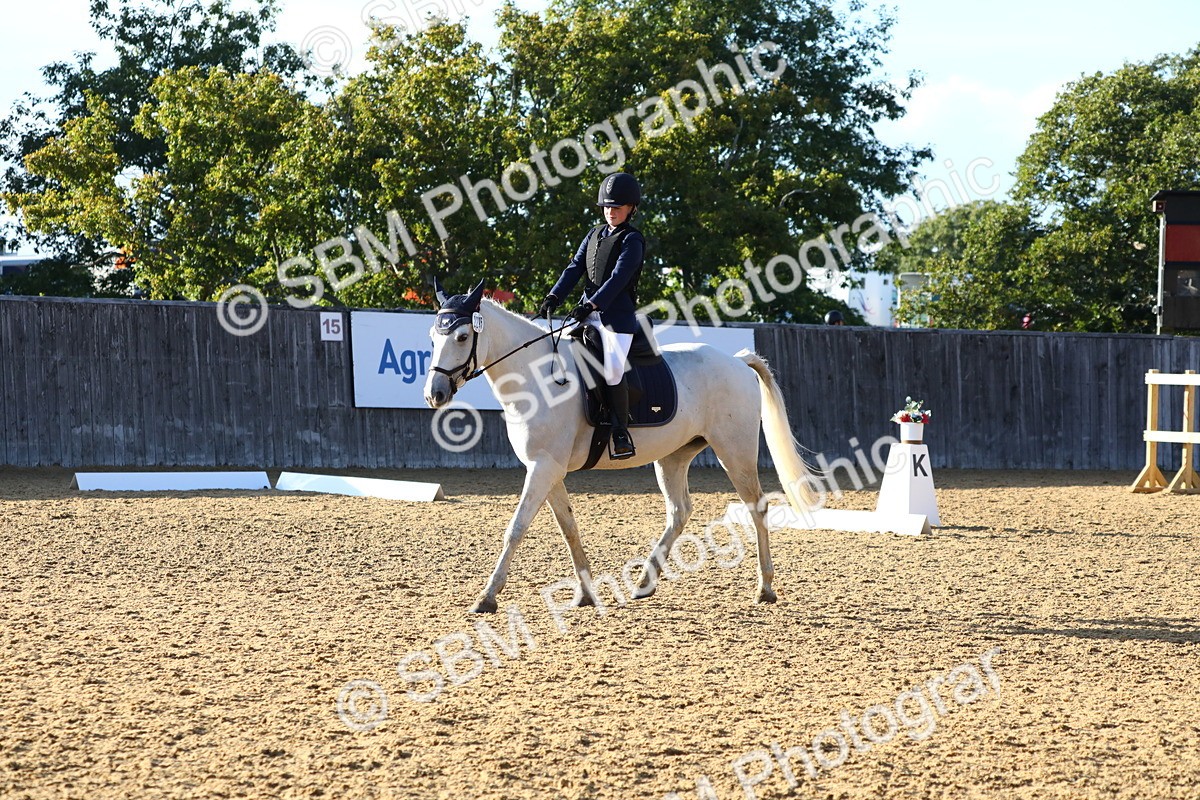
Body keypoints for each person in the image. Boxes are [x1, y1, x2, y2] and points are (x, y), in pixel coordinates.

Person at [537, 172, 646, 459]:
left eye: (618, 207)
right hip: (588, 312)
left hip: (616, 319)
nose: (611, 212)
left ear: (631, 208)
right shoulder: (594, 234)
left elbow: (619, 278)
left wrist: (593, 304)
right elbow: (575, 268)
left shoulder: (632, 240)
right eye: (607, 207)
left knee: (612, 369)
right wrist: (554, 295)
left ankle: (621, 431)